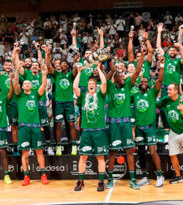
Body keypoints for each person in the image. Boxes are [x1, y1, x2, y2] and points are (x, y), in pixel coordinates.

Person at [106, 49, 145, 190]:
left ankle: (133, 179)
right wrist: (110, 66)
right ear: (115, 78)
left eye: (124, 76)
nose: (124, 78)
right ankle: (110, 179)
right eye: (121, 77)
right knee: (112, 151)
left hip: (126, 123)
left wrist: (142, 56)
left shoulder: (128, 86)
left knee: (129, 150)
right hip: (114, 124)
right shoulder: (110, 87)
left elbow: (138, 70)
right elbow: (106, 77)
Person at [73, 62, 108, 192]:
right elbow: (75, 86)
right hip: (86, 131)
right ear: (87, 86)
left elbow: (104, 83)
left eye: (93, 84)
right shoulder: (83, 96)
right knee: (83, 157)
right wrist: (79, 72)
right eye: (89, 84)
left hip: (99, 131)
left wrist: (98, 68)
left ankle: (100, 182)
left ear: (96, 86)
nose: (91, 85)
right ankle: (80, 181)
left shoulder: (100, 95)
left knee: (100, 157)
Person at [13, 60, 49, 186]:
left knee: (39, 151)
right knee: (25, 152)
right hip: (23, 127)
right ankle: (26, 176)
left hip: (35, 127)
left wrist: (44, 72)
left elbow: (43, 85)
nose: (27, 84)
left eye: (29, 83)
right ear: (23, 87)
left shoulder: (35, 94)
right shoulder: (19, 95)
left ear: (31, 86)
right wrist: (17, 69)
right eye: (25, 83)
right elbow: (15, 83)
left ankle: (43, 175)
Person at [133, 56, 166, 187]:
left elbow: (160, 79)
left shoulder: (152, 93)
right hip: (139, 127)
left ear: (149, 84)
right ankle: (145, 176)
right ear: (139, 84)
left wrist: (162, 65)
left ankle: (160, 175)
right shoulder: (134, 95)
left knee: (152, 151)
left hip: (150, 126)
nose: (144, 82)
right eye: (142, 81)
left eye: (146, 81)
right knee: (140, 152)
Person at [157, 83, 183, 187]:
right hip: (173, 131)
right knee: (172, 155)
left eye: (170, 90)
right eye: (168, 89)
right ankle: (178, 176)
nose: (168, 91)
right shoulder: (166, 100)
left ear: (176, 91)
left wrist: (182, 111)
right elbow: (155, 105)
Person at [0, 44, 20, 156]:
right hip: (0, 103)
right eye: (6, 64)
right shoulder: (0, 73)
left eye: (9, 64)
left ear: (11, 66)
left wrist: (15, 51)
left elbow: (17, 63)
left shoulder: (15, 74)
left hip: (12, 103)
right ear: (3, 65)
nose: (8, 66)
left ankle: (16, 149)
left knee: (14, 126)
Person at [46, 44, 78, 156]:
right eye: (61, 64)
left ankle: (74, 145)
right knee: (58, 124)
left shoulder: (70, 75)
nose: (63, 65)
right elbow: (49, 66)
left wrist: (76, 59)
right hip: (58, 103)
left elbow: (75, 70)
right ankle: (58, 146)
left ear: (67, 66)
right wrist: (48, 53)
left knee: (71, 124)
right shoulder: (56, 74)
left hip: (69, 102)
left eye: (65, 64)